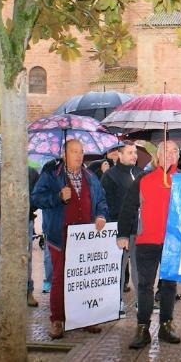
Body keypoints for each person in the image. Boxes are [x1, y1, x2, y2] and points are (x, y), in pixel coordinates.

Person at [31, 139, 109, 339]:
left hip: (85, 239)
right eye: (74, 151)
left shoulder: (90, 176)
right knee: (59, 278)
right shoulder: (51, 175)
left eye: (81, 151)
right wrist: (57, 197)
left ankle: (85, 317)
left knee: (84, 278)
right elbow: (35, 198)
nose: (78, 155)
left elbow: (101, 201)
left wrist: (101, 216)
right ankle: (57, 320)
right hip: (60, 236)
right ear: (64, 155)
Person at [118, 140, 181, 350]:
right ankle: (142, 328)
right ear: (158, 156)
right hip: (146, 240)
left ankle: (166, 325)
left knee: (169, 286)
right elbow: (128, 206)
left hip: (172, 242)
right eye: (166, 151)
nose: (171, 154)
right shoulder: (144, 179)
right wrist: (122, 234)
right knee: (145, 286)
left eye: (175, 151)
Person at [0, 163, 41, 309]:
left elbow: (38, 195)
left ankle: (27, 291)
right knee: (1, 258)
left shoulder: (31, 173)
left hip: (24, 221)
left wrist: (28, 209)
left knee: (25, 257)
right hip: (2, 220)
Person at [100, 141, 142, 308]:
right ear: (120, 155)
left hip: (139, 229)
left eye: (135, 152)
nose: (134, 156)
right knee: (118, 269)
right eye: (130, 152)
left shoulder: (140, 173)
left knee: (139, 268)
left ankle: (142, 301)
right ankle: (115, 303)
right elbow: (104, 203)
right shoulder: (109, 176)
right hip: (120, 230)